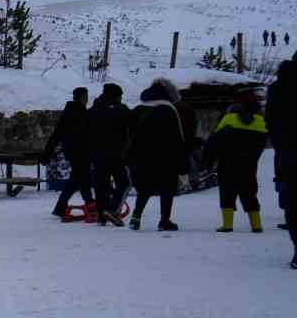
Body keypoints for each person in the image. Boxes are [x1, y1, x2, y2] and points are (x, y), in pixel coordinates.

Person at [127, 78, 190, 231]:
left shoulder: (137, 109)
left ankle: (136, 217)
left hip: (141, 157)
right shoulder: (168, 109)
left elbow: (128, 135)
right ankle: (164, 221)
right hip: (165, 157)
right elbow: (176, 138)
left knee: (144, 188)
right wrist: (183, 165)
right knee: (167, 189)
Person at [204, 96, 268, 232]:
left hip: (228, 162)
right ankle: (256, 225)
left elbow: (214, 142)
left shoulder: (228, 120)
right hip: (249, 163)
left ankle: (227, 225)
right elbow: (262, 144)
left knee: (227, 191)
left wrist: (209, 161)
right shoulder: (260, 121)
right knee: (249, 192)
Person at [86, 82, 131, 226]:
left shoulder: (91, 111)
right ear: (116, 96)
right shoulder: (121, 110)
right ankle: (112, 210)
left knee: (101, 185)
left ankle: (101, 216)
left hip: (96, 155)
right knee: (124, 183)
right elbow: (133, 125)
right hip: (116, 154)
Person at [42, 87, 91, 218]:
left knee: (78, 178)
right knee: (81, 177)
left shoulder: (68, 111)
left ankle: (66, 206)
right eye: (86, 96)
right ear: (83, 97)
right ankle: (88, 204)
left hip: (72, 151)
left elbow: (57, 134)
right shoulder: (81, 112)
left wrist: (47, 153)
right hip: (81, 151)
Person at [266, 61, 297, 266]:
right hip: (288, 151)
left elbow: (271, 120)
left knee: (293, 202)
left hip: (289, 153)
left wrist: (281, 146)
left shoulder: (279, 87)